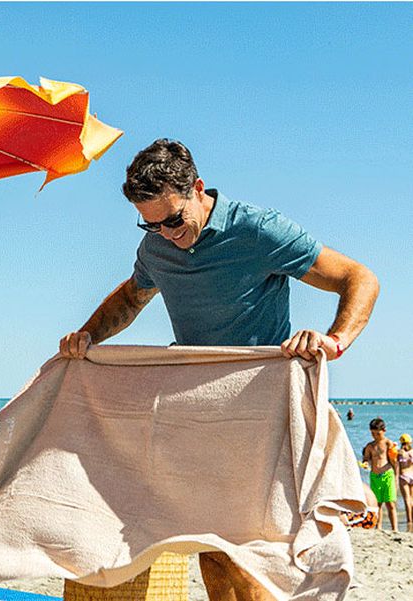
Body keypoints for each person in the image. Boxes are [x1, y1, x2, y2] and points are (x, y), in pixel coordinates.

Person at [59, 139, 379, 600]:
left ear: (198, 190)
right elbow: (132, 296)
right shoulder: (155, 246)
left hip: (262, 412)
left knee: (247, 551)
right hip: (197, 413)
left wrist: (334, 340)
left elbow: (358, 278)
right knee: (208, 546)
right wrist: (87, 335)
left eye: (174, 219)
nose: (166, 233)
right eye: (150, 224)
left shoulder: (257, 230)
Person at [362, 418, 399, 530]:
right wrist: (365, 463)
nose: (375, 436)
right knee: (377, 504)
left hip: (387, 475)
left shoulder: (388, 443)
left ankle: (395, 528)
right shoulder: (370, 446)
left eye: (377, 434)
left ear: (384, 430)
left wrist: (396, 476)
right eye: (373, 434)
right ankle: (378, 527)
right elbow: (366, 458)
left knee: (390, 503)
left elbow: (394, 461)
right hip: (374, 476)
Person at [398, 433, 413, 532]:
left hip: (403, 476)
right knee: (412, 499)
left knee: (407, 500)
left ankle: (409, 520)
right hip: (412, 474)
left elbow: (396, 465)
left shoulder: (400, 453)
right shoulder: (412, 452)